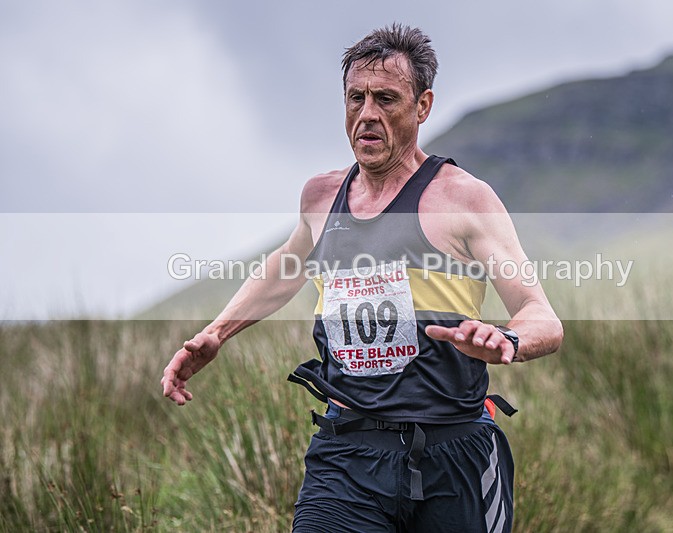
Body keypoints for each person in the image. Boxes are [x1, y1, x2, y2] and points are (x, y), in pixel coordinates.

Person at [162, 23, 563, 532]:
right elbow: (288, 266)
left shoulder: (464, 199)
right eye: (356, 97)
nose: (367, 114)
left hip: (453, 455)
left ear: (423, 106)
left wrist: (506, 339)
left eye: (387, 99)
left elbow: (541, 316)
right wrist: (215, 334)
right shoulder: (321, 197)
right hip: (346, 454)